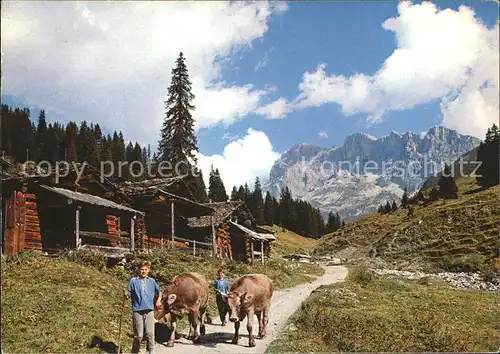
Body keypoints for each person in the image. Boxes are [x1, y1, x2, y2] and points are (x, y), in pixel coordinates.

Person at [125, 260, 162, 354]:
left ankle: (150, 351)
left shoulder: (152, 281)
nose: (143, 271)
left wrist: (158, 300)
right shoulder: (133, 281)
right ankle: (135, 352)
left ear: (149, 270)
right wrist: (126, 295)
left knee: (150, 334)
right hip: (137, 310)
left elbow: (160, 291)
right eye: (142, 269)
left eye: (146, 269)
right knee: (139, 336)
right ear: (138, 270)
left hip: (149, 310)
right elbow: (128, 293)